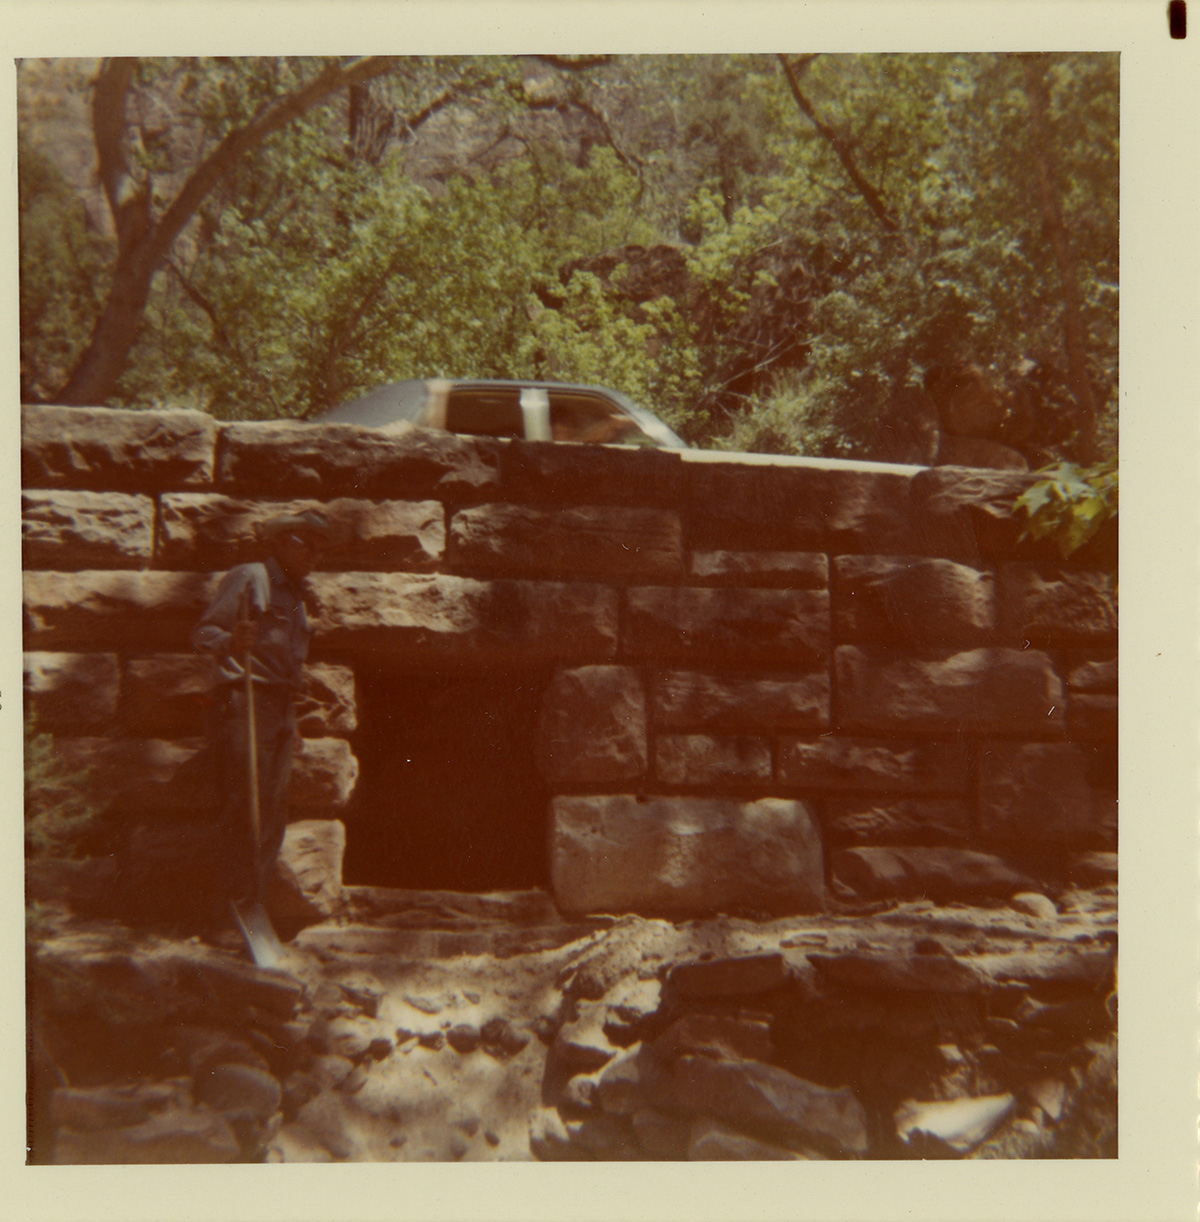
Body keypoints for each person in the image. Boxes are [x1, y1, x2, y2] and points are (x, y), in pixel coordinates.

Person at [190, 510, 330, 925]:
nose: (316, 555)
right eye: (308, 544)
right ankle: (224, 914)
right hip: (246, 702)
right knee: (245, 808)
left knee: (272, 811)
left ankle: (252, 906)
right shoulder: (251, 577)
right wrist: (231, 640)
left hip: (281, 709)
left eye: (320, 548)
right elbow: (202, 634)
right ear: (284, 542)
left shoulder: (298, 596)